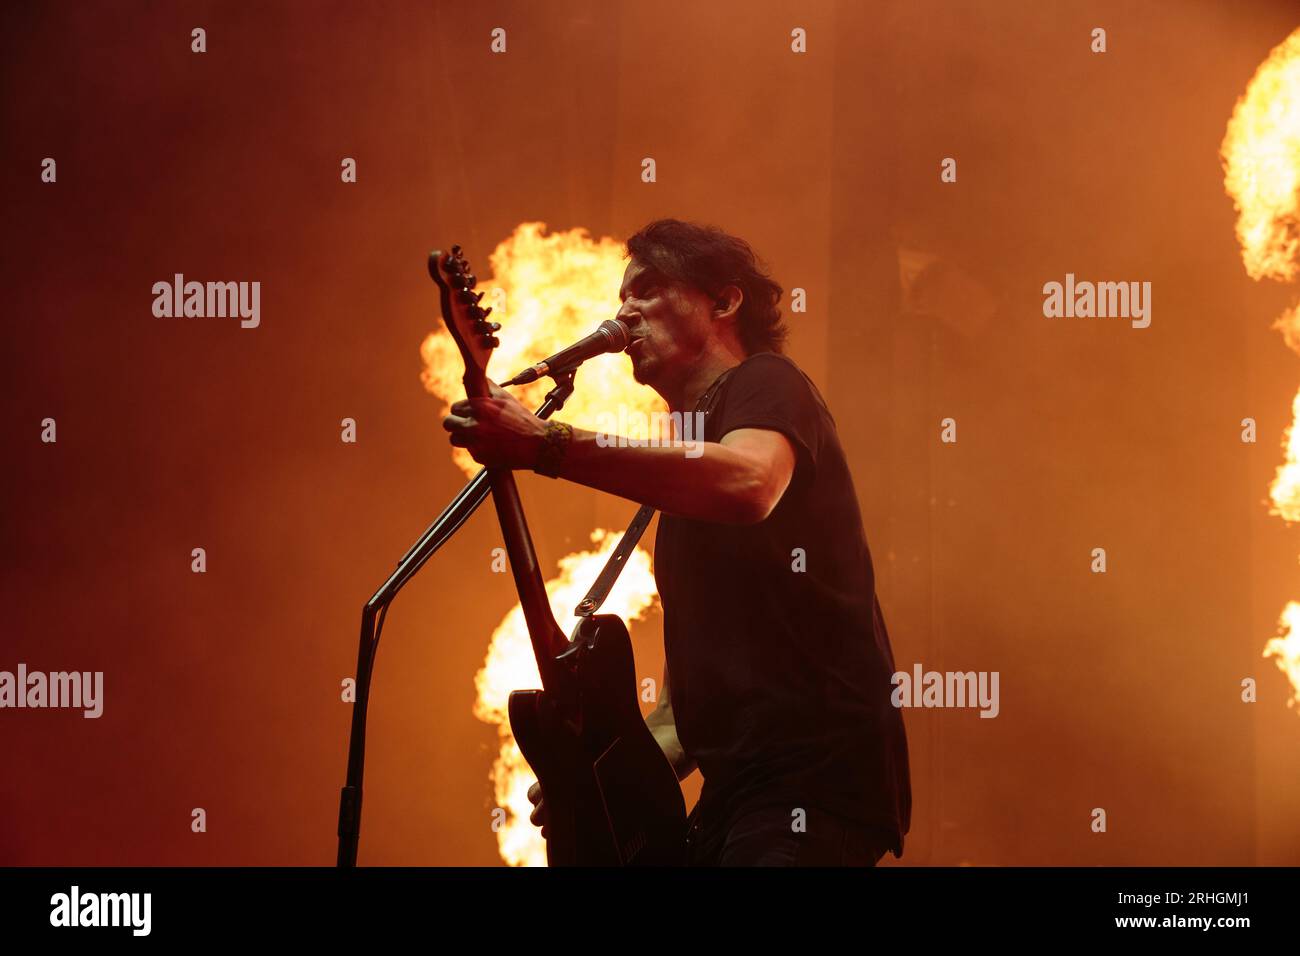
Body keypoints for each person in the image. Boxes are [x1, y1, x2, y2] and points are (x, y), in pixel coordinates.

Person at [442, 218, 910, 866]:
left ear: (723, 300)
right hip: (734, 800)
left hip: (810, 783)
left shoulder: (769, 382)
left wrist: (548, 445)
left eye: (649, 287)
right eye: (619, 298)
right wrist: (600, 778)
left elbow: (750, 483)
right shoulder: (683, 487)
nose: (624, 310)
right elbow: (687, 704)